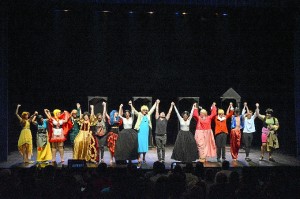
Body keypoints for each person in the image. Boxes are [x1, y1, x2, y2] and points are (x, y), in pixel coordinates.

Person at [130, 99, 158, 164]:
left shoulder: (148, 115)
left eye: (146, 110)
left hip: (146, 132)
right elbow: (134, 111)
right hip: (140, 132)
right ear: (142, 110)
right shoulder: (139, 114)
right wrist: (131, 105)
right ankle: (139, 157)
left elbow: (152, 109)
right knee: (140, 145)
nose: (145, 111)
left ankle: (144, 158)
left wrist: (156, 103)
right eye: (144, 110)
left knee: (145, 145)